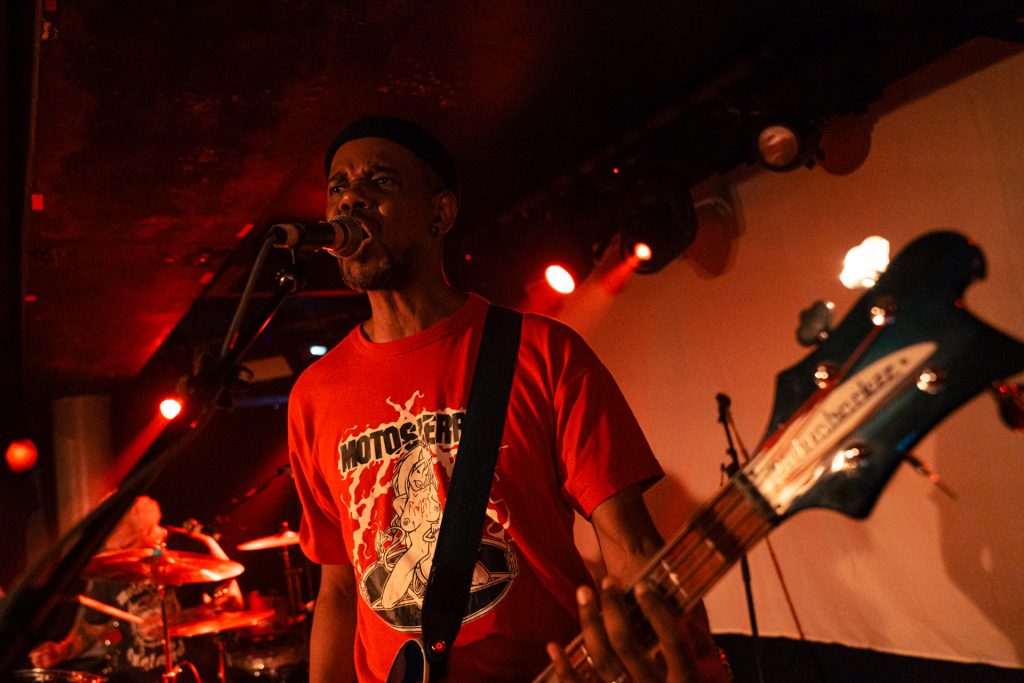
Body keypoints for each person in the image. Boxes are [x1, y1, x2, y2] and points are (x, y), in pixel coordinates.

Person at [287, 115, 730, 682]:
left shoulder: (540, 351)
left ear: (440, 214)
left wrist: (688, 662)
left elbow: (629, 541)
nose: (350, 201)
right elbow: (340, 587)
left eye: (380, 183)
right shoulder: (314, 396)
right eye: (338, 187)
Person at [28, 497, 242, 682]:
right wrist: (61, 650)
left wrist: (178, 619)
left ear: (147, 531)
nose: (120, 553)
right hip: (133, 676)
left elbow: (233, 603)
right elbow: (92, 627)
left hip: (192, 673)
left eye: (125, 546)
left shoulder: (195, 547)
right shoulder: (112, 565)